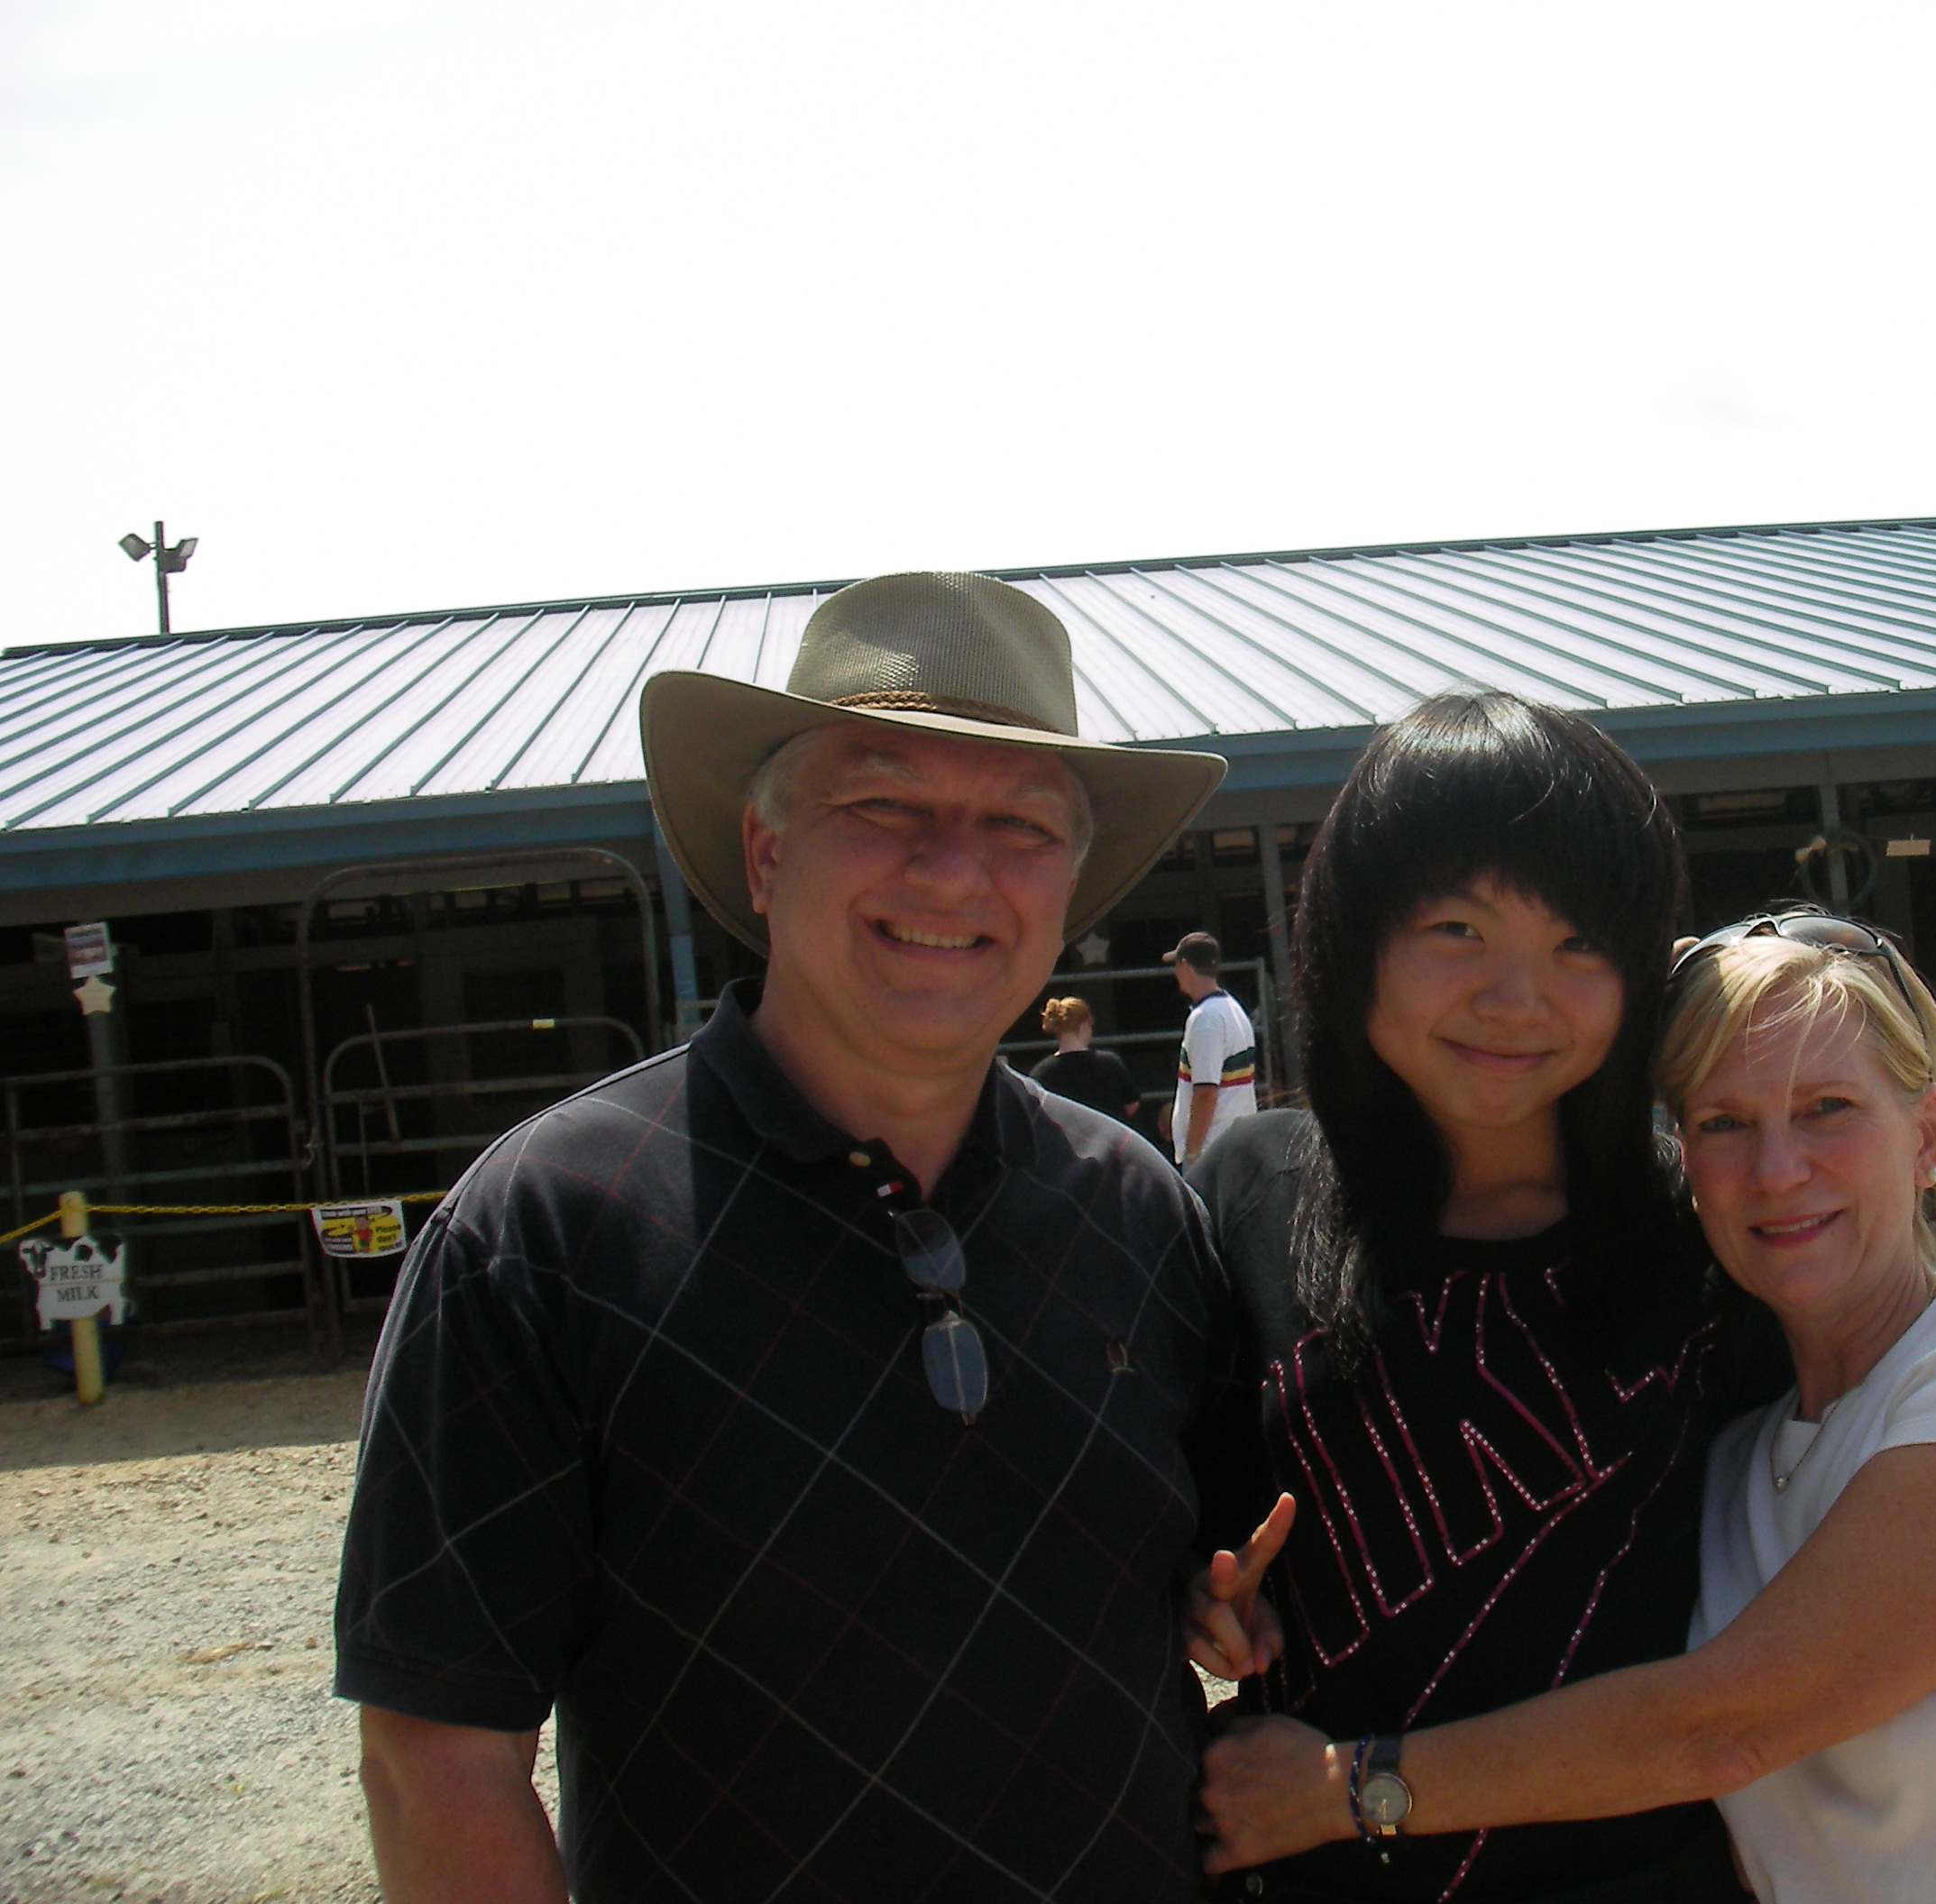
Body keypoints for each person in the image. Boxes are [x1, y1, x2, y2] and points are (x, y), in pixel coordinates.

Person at [334, 571, 1256, 1902]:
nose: (954, 869)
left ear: (1068, 890)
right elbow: (437, 1756)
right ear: (766, 854)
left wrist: (1232, 1600)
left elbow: (1219, 1580)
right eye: (884, 805)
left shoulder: (1141, 1210)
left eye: (1020, 824)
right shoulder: (542, 1232)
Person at [1197, 911, 1936, 1904]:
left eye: (1825, 1110)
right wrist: (1251, 1590)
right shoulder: (1739, 1450)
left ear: (1928, 1133)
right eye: (1724, 1121)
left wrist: (1348, 1790)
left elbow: (1726, 1727)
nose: (1776, 1170)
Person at [1181, 691, 1782, 1904]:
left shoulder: (1709, 1232)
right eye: (1457, 929)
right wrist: (1199, 1596)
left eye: (1580, 945)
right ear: (1354, 947)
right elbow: (1200, 1514)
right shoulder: (1254, 1189)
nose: (1521, 998)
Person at [1165, 930, 1258, 1167]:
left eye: (1176, 965)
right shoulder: (1233, 1007)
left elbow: (1206, 1092)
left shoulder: (1205, 1019)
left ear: (1185, 966)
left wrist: (1194, 1153)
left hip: (1214, 1150)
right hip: (1238, 1143)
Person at [1031, 993, 1142, 1123]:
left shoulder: (1042, 1073)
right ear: (1086, 1023)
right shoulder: (1110, 1064)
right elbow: (1131, 1105)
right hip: (1107, 1139)